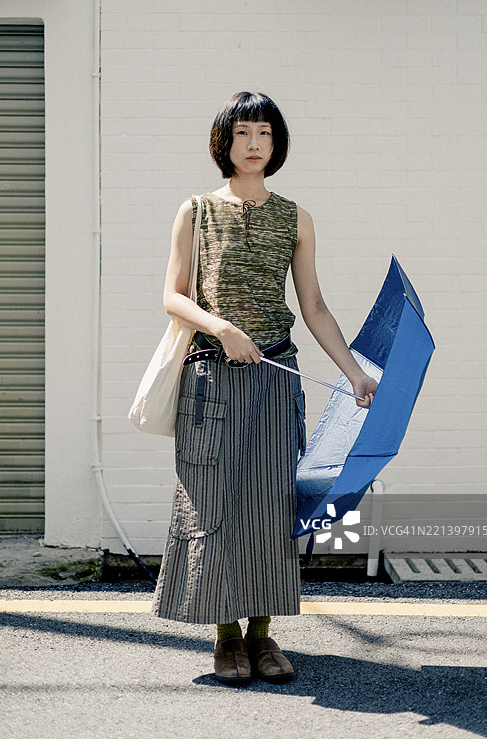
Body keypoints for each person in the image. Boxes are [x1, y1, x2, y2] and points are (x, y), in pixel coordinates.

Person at [151, 91, 378, 686]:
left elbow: (315, 306)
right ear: (224, 141)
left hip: (276, 379)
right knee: (215, 505)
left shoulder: (296, 216)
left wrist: (354, 372)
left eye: (265, 134)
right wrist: (220, 326)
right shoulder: (195, 210)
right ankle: (225, 638)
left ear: (277, 145)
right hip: (210, 379)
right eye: (243, 133)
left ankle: (262, 635)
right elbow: (172, 296)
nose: (254, 144)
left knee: (270, 508)